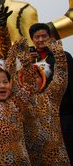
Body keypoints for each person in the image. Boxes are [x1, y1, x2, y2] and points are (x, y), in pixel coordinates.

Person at [29, 22, 73, 164]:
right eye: (37, 37)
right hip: (38, 116)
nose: (41, 40)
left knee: (67, 149)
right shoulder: (29, 59)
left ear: (50, 37)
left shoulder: (63, 56)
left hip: (63, 113)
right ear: (32, 39)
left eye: (44, 36)